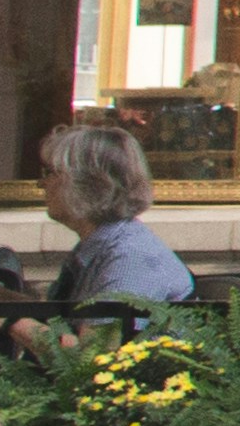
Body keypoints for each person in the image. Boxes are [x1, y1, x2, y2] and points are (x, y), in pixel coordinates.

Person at [34, 121, 197, 312]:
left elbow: (97, 342)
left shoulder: (129, 257)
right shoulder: (100, 245)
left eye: (50, 173)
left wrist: (9, 320)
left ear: (89, 184)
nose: (41, 183)